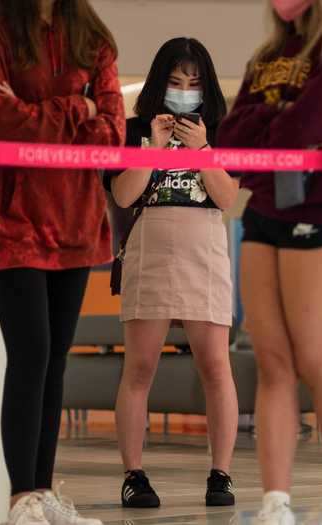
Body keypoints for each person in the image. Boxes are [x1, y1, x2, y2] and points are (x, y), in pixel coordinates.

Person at [0, 0, 124, 523]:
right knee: (30, 354)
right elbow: (3, 125)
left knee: (54, 361)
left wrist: (49, 116)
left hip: (76, 220)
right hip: (11, 222)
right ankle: (21, 499)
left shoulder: (92, 35)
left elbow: (116, 134)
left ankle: (43, 496)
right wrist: (80, 108)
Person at [218, 0, 322, 524]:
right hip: (265, 210)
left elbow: (309, 125)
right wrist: (276, 121)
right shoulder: (269, 54)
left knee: (318, 361)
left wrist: (268, 124)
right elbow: (230, 141)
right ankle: (276, 501)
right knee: (273, 363)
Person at [104, 38, 239, 509]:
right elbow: (123, 196)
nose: (184, 91)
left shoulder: (221, 128)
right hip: (151, 249)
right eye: (176, 82)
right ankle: (133, 474)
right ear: (160, 83)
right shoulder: (134, 128)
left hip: (205, 251)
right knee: (139, 368)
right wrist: (152, 150)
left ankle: (221, 474)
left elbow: (226, 198)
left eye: (194, 83)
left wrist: (203, 151)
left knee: (216, 367)